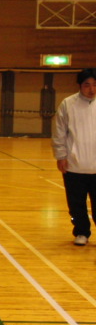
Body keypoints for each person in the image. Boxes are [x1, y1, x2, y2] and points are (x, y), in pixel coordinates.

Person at [51, 67, 96, 246]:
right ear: (79, 85)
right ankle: (81, 232)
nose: (91, 89)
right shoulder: (68, 104)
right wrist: (61, 155)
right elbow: (59, 132)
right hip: (74, 165)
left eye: (95, 85)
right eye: (87, 85)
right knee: (76, 203)